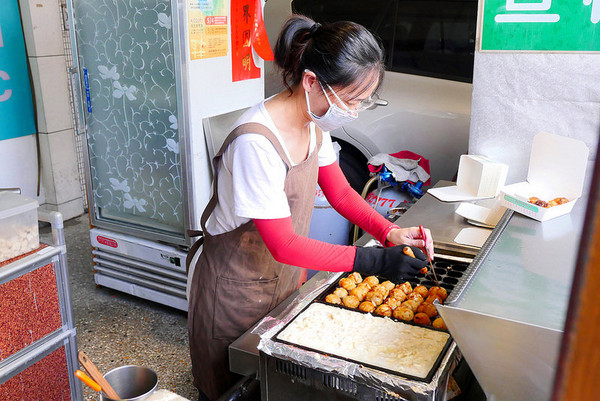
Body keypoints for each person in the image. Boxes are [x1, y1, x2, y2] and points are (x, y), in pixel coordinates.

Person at [187, 15, 434, 400]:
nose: (354, 111)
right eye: (351, 100)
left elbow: (341, 194)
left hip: (281, 282)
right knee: (231, 388)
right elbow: (284, 243)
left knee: (273, 387)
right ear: (311, 82)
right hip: (233, 293)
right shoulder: (257, 143)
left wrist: (389, 232)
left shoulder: (313, 125)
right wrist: (374, 262)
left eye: (363, 101)